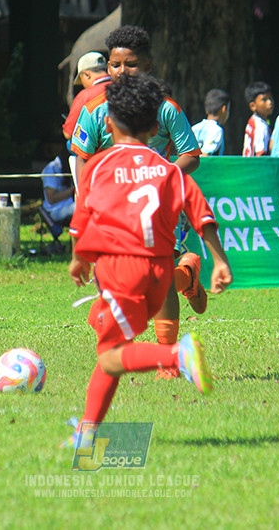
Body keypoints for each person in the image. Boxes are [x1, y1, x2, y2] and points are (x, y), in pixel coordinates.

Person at [62, 73, 232, 449]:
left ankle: (178, 355)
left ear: (108, 122)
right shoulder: (168, 169)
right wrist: (220, 261)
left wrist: (79, 260)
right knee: (111, 351)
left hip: (123, 271)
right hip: (160, 276)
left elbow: (83, 219)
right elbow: (203, 215)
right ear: (156, 126)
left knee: (111, 357)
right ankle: (87, 434)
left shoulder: (99, 168)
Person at [68, 26, 206, 364]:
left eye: (130, 64)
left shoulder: (166, 108)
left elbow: (190, 153)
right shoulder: (95, 109)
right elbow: (83, 160)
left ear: (146, 64)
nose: (121, 72)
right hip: (112, 208)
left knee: (158, 273)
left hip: (155, 204)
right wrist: (88, 201)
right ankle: (185, 276)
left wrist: (162, 176)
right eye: (114, 65)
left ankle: (167, 360)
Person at [61, 52, 111, 142]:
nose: (83, 85)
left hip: (98, 150)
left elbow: (69, 134)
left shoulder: (85, 95)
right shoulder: (122, 88)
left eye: (81, 79)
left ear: (87, 74)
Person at [191, 88, 230, 156]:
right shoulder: (216, 130)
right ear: (224, 109)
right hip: (204, 166)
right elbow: (205, 155)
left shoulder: (194, 128)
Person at [242, 81, 274, 157]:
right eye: (264, 100)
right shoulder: (261, 126)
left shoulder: (252, 120)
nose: (270, 102)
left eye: (270, 98)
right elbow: (260, 154)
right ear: (253, 106)